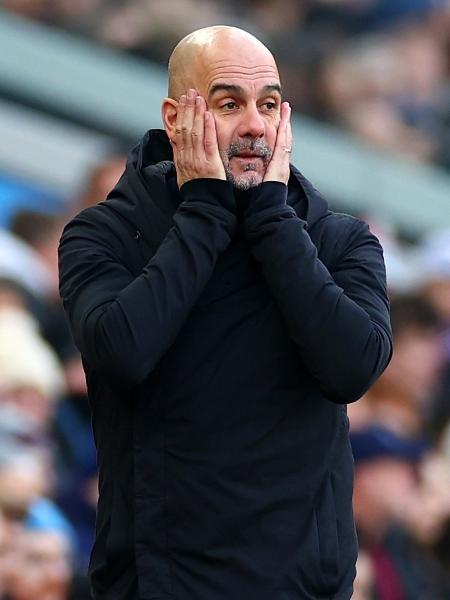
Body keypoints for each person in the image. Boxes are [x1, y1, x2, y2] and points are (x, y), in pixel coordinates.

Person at [58, 25, 392, 600]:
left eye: (268, 105)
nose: (255, 126)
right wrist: (207, 210)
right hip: (163, 582)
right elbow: (123, 351)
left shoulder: (339, 241)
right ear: (174, 117)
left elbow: (353, 366)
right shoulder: (105, 234)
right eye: (229, 104)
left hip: (301, 586)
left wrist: (271, 221)